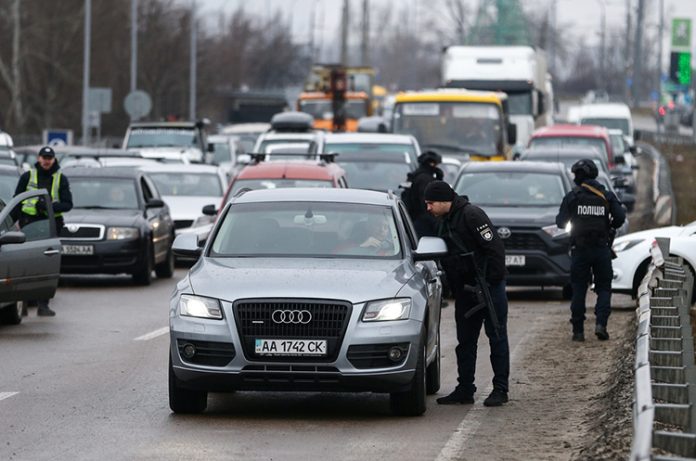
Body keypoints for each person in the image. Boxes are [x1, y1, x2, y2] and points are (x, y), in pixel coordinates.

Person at [424, 180, 510, 407]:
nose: (428, 208)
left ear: (444, 200)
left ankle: (500, 389)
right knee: (465, 342)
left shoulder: (472, 215)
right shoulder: (444, 222)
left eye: (431, 203)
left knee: (497, 337)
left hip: (488, 287)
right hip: (466, 290)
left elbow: (495, 249)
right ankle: (465, 389)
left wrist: (490, 283)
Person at [555, 159, 625, 342]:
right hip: (602, 249)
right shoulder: (606, 195)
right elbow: (620, 217)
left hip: (580, 250)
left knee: (578, 289)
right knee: (604, 288)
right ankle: (601, 324)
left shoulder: (573, 196)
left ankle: (578, 331)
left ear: (578, 176)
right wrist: (608, 225)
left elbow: (560, 223)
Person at [14, 146, 73, 317]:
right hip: (29, 224)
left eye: (49, 158)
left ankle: (43, 304)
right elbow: (17, 200)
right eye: (44, 157)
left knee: (46, 264)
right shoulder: (27, 176)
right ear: (39, 158)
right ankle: (22, 304)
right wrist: (14, 222)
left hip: (50, 225)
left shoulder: (61, 178)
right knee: (25, 263)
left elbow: (68, 204)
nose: (46, 161)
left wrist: (49, 207)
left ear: (54, 160)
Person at [405, 150, 444, 238]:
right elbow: (428, 203)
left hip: (415, 220)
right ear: (431, 164)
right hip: (423, 223)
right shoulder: (425, 180)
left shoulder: (416, 176)